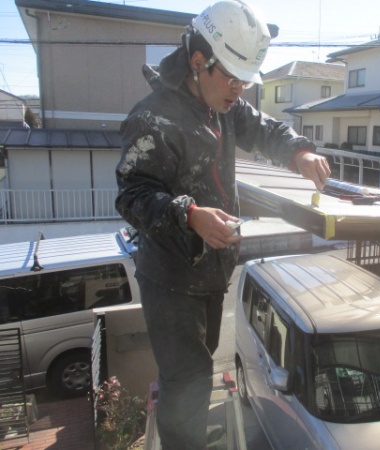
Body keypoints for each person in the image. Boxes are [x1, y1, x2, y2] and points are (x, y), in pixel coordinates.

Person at [114, 1, 330, 449]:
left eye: (245, 80)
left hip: (212, 273)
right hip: (171, 280)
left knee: (197, 371)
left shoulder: (224, 105)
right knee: (187, 383)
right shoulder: (153, 117)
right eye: (232, 77)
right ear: (198, 62)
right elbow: (132, 196)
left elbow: (266, 129)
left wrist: (299, 153)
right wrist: (190, 216)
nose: (239, 89)